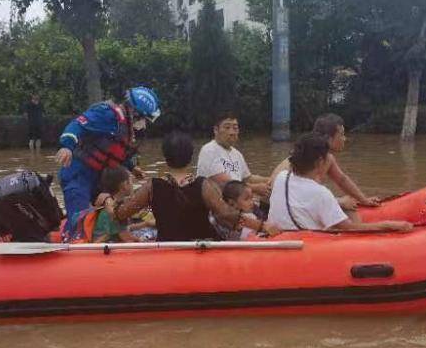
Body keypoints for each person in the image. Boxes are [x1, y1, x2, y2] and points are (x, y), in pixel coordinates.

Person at [106, 131, 280, 242]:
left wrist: (108, 201)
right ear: (190, 158)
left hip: (169, 248)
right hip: (202, 247)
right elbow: (228, 215)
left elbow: (120, 213)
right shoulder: (204, 185)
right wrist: (262, 226)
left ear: (165, 157)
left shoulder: (152, 187)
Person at [55, 86, 160, 236]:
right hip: (78, 175)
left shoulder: (127, 130)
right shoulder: (106, 114)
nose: (144, 124)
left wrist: (132, 167)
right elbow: (77, 125)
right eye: (144, 119)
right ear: (134, 113)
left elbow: (116, 153)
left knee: (105, 216)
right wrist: (66, 147)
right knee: (80, 224)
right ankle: (74, 239)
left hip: (99, 179)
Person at [268, 134, 413, 233]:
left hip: (280, 235)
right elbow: (350, 229)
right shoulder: (321, 193)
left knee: (344, 206)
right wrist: (389, 225)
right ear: (320, 162)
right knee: (349, 209)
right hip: (306, 243)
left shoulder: (282, 177)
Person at [270, 114, 379, 221]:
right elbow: (295, 195)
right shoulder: (305, 159)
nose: (344, 139)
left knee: (346, 204)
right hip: (280, 209)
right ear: (329, 138)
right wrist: (339, 201)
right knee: (348, 208)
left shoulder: (326, 158)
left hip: (297, 206)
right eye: (341, 134)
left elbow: (342, 180)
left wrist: (364, 200)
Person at [196, 112, 271, 199]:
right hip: (217, 205)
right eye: (227, 127)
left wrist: (271, 180)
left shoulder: (237, 154)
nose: (232, 132)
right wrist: (255, 188)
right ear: (216, 130)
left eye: (235, 128)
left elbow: (248, 178)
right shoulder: (209, 150)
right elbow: (225, 184)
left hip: (238, 201)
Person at [89, 166, 141, 243]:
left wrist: (146, 224)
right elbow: (128, 239)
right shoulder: (115, 209)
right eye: (130, 181)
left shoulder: (113, 204)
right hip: (101, 247)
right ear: (124, 185)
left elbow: (124, 228)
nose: (132, 184)